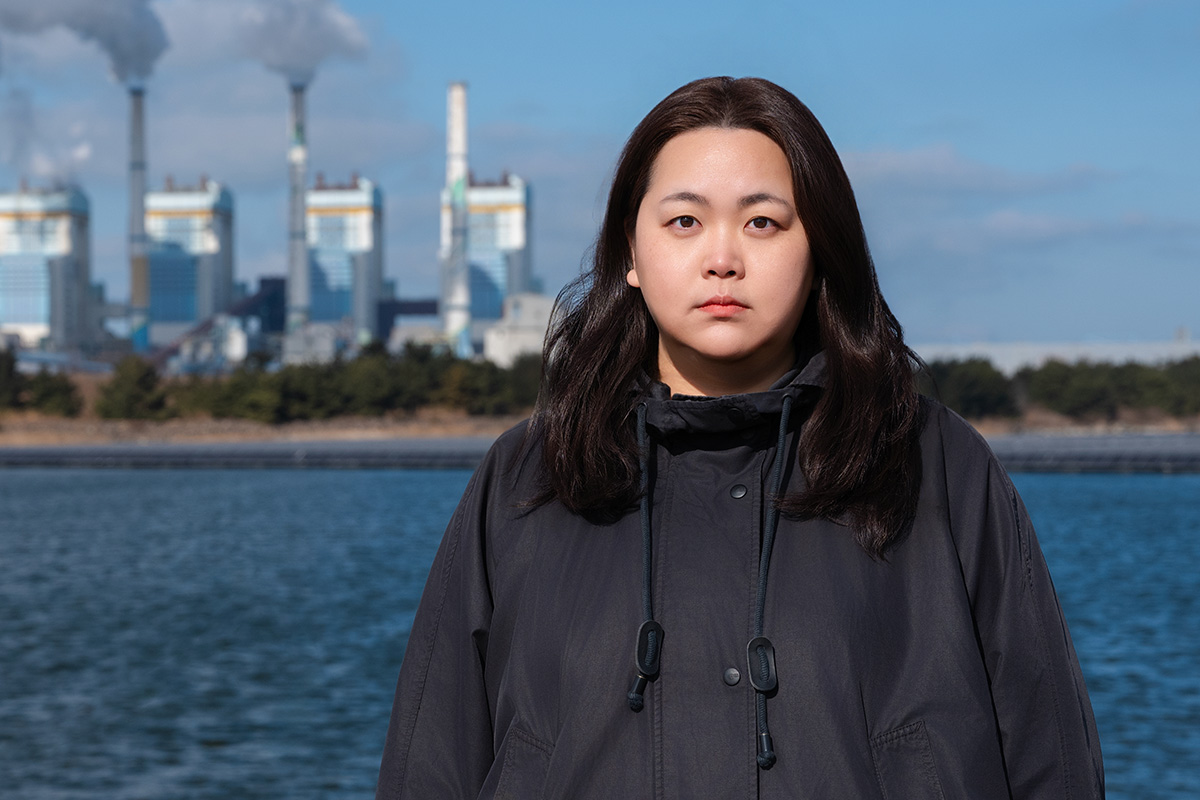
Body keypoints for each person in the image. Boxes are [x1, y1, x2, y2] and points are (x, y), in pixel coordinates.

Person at [375, 76, 1104, 799]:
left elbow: (1052, 759)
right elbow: (431, 765)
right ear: (630, 251)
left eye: (762, 223)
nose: (722, 258)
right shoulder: (531, 476)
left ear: (820, 250)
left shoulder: (932, 463)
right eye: (684, 221)